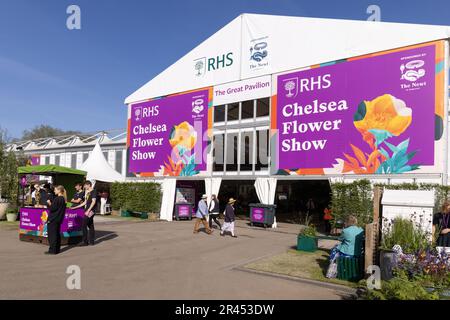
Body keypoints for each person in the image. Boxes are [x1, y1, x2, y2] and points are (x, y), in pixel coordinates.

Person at [73, 181, 97, 246]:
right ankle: (91, 241)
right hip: (88, 210)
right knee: (90, 225)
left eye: (85, 186)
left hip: (91, 211)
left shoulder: (93, 191)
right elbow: (85, 202)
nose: (84, 187)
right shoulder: (88, 192)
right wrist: (75, 207)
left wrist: (88, 210)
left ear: (89, 185)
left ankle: (85, 241)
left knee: (84, 224)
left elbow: (93, 202)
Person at [46, 185, 67, 255]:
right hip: (58, 219)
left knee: (52, 235)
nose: (54, 191)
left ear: (59, 190)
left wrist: (49, 203)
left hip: (53, 219)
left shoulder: (58, 199)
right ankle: (57, 249)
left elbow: (52, 208)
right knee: (56, 234)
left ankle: (52, 250)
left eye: (55, 190)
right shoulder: (63, 199)